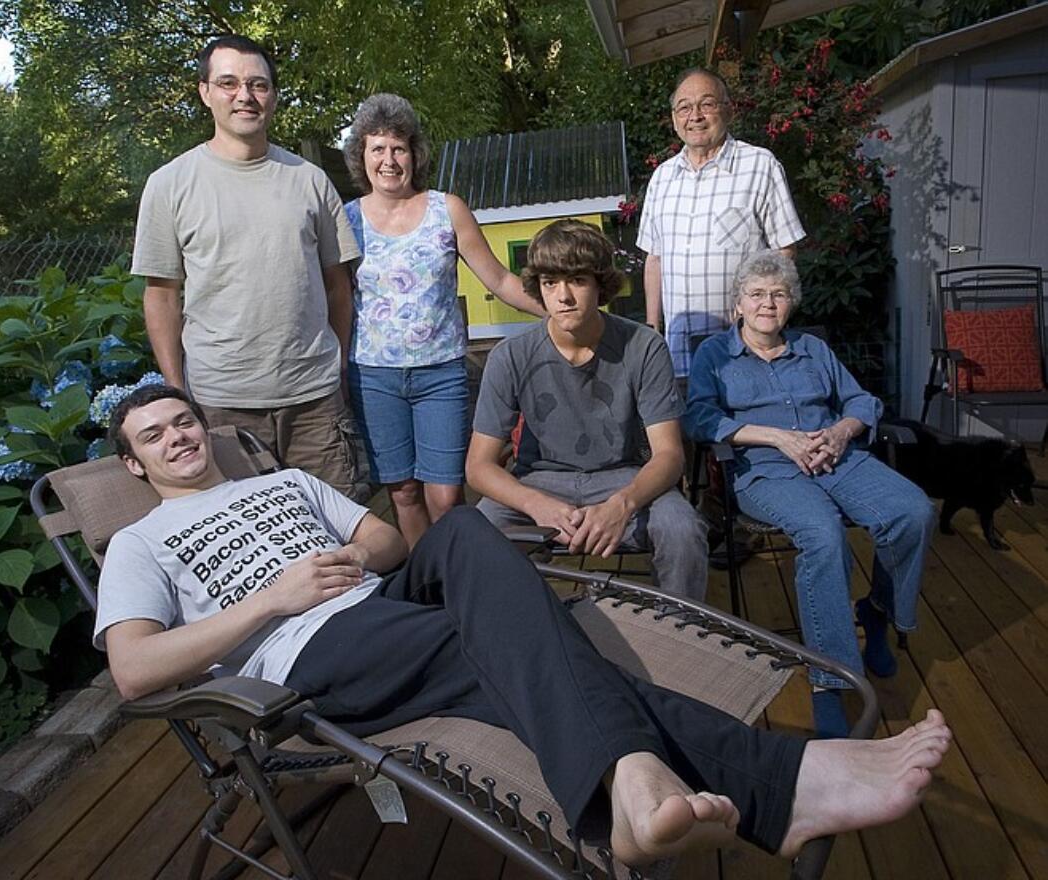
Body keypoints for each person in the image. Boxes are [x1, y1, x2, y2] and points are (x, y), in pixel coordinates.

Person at [94, 383, 952, 869]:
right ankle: (763, 779)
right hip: (306, 650)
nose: (177, 438)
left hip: (379, 599)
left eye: (183, 422)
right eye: (153, 436)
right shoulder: (139, 542)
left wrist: (352, 551)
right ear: (132, 463)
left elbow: (389, 544)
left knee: (463, 527)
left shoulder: (279, 484)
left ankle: (638, 783)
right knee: (499, 641)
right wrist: (271, 599)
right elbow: (134, 673)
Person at [684, 250, 936, 738]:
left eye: (778, 294)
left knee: (913, 511)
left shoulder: (812, 350)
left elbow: (862, 399)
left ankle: (877, 612)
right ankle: (830, 681)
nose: (767, 303)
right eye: (756, 294)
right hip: (767, 470)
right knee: (822, 535)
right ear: (738, 304)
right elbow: (699, 419)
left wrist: (842, 432)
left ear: (791, 303)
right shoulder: (715, 355)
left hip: (837, 458)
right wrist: (777, 437)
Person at [131, 34, 363, 498]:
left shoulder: (309, 180)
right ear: (205, 92)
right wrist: (178, 391)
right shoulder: (170, 185)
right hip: (221, 406)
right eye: (229, 83)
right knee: (248, 549)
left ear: (273, 96)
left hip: (314, 403)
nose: (245, 96)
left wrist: (335, 362)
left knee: (339, 534)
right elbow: (161, 296)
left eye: (258, 84)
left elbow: (339, 286)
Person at [341, 94, 544, 547]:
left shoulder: (446, 209)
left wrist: (557, 311)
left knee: (446, 494)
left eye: (398, 148)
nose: (389, 160)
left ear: (415, 153)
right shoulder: (347, 220)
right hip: (374, 377)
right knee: (403, 492)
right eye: (378, 149)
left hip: (441, 374)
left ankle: (458, 575)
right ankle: (428, 587)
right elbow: (336, 299)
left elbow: (498, 278)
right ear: (362, 156)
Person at [465, 220, 707, 600]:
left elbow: (670, 455)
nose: (563, 296)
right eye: (549, 283)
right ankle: (506, 643)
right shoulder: (509, 356)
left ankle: (679, 633)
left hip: (625, 477)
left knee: (683, 529)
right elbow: (478, 467)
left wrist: (622, 504)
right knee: (473, 535)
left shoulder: (643, 346)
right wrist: (535, 504)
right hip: (540, 482)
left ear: (600, 285)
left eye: (576, 280)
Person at [637, 67, 806, 384]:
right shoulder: (662, 178)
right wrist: (652, 328)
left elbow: (785, 249)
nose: (695, 116)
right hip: (677, 357)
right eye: (684, 107)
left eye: (707, 104)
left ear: (728, 110)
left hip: (742, 350)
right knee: (689, 432)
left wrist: (758, 312)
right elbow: (654, 259)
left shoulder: (759, 165)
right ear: (674, 118)